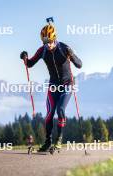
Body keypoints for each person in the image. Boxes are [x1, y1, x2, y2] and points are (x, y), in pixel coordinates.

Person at [20, 20, 82, 152]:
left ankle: (59, 139)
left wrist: (72, 54)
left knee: (60, 110)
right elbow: (30, 64)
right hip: (53, 84)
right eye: (44, 42)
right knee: (49, 114)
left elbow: (79, 64)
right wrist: (25, 58)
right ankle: (48, 142)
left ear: (54, 39)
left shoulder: (64, 48)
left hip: (67, 84)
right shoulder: (42, 51)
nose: (47, 45)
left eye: (49, 42)